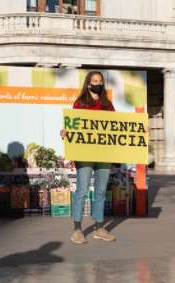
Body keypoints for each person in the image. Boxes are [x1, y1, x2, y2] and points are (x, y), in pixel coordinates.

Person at [61, 70, 117, 245]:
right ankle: (77, 229)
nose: (98, 83)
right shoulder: (80, 103)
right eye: (94, 81)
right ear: (88, 83)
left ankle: (99, 228)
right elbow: (73, 124)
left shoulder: (108, 104)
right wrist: (66, 131)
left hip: (103, 154)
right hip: (84, 154)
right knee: (82, 190)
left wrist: (139, 130)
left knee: (100, 192)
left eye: (100, 81)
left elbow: (118, 126)